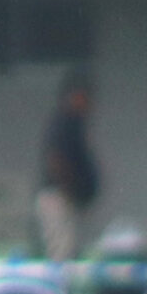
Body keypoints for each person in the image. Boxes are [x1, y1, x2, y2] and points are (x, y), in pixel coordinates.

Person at [36, 71, 99, 263]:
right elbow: (57, 159)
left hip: (66, 198)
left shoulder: (76, 124)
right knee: (61, 253)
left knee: (69, 250)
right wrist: (71, 189)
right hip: (58, 196)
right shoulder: (64, 122)